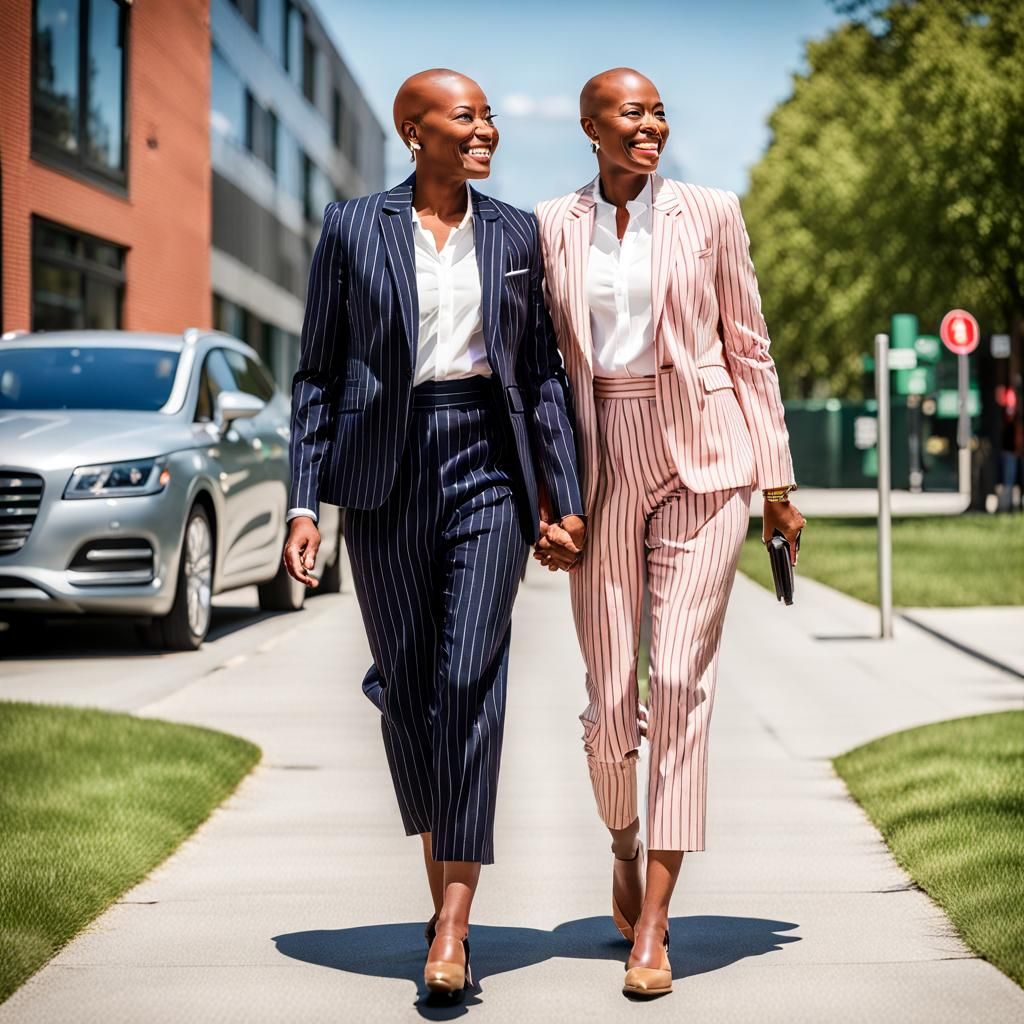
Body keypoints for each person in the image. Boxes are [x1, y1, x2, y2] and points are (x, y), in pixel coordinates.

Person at [283, 69, 585, 997]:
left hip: (485, 464)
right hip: (383, 474)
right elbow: (316, 376)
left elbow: (538, 376)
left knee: (468, 676)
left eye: (492, 114)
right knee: (411, 688)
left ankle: (453, 928)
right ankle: (441, 894)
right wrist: (304, 502)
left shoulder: (515, 233)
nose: (486, 128)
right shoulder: (350, 229)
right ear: (415, 131)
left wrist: (562, 497)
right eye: (467, 116)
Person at [534, 68, 805, 997]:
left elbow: (750, 348)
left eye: (657, 112)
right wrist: (549, 491)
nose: (650, 126)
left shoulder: (712, 213)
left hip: (706, 456)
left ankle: (655, 923)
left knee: (681, 679)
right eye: (630, 114)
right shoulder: (548, 224)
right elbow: (540, 368)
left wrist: (776, 480)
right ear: (589, 127)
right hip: (601, 453)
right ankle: (623, 840)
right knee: (612, 699)